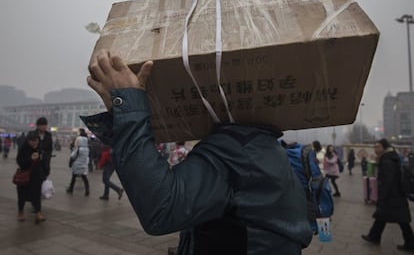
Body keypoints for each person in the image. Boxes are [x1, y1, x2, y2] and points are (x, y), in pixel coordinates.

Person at [81, 50, 312, 255]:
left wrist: (128, 105)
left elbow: (162, 208)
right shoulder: (256, 141)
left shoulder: (236, 146)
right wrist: (121, 111)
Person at [361, 139, 414, 252]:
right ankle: (374, 236)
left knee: (402, 221)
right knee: (382, 217)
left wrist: (382, 196)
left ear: (384, 147)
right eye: (375, 147)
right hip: (395, 195)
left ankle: (410, 244)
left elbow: (388, 180)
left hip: (393, 196)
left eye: (378, 147)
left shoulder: (387, 160)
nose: (376, 149)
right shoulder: (389, 157)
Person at [16, 131, 47, 223]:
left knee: (36, 195)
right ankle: (20, 212)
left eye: (36, 141)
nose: (35, 143)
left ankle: (38, 213)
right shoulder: (23, 149)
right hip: (25, 177)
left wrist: (45, 173)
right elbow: (20, 162)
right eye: (32, 141)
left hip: (36, 177)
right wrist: (30, 159)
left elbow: (43, 163)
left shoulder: (39, 149)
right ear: (28, 141)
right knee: (22, 196)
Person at [66, 128, 90, 196]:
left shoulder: (79, 149)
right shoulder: (87, 149)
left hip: (77, 165)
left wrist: (70, 163)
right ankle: (87, 190)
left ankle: (71, 189)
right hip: (83, 165)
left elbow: (73, 156)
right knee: (84, 178)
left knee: (73, 177)